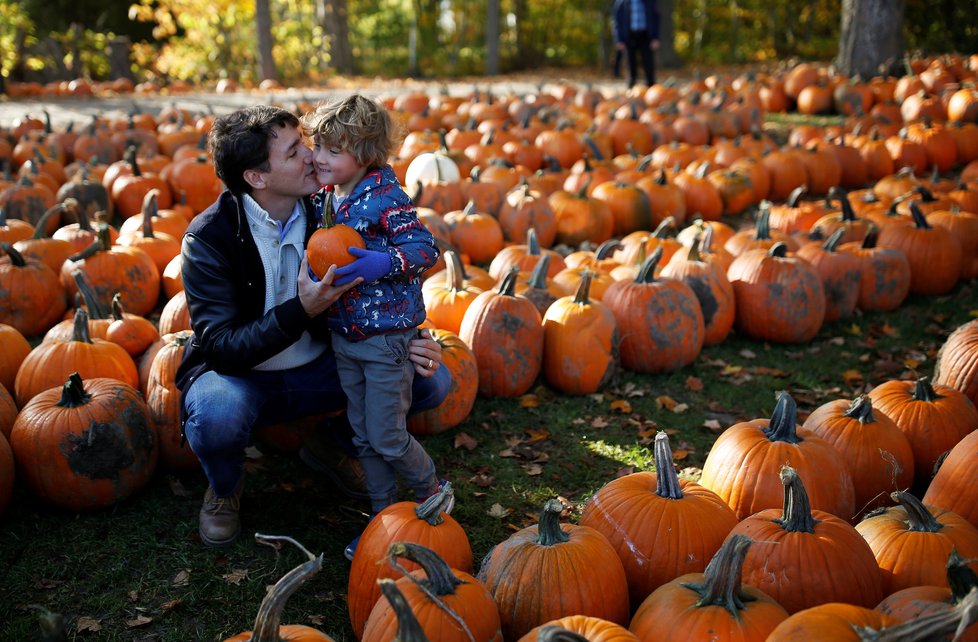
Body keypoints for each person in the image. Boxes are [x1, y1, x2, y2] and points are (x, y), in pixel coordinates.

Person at [175, 104, 450, 548]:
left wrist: (413, 336)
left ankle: (328, 445)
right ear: (257, 177)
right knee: (216, 414)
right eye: (293, 152)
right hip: (242, 378)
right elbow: (221, 348)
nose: (310, 156)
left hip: (326, 364)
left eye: (309, 144)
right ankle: (225, 488)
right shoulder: (209, 237)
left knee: (430, 382)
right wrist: (300, 310)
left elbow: (387, 267)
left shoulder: (330, 207)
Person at [302, 95, 447, 561]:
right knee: (363, 436)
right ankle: (383, 521)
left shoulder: (386, 196)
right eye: (317, 146)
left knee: (386, 434)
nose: (319, 158)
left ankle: (431, 492)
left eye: (332, 150)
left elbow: (425, 248)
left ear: (364, 155)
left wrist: (385, 261)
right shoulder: (327, 196)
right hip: (346, 336)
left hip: (386, 339)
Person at [612, 0, 660, 88]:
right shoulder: (622, 2)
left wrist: (655, 37)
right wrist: (619, 39)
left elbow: (656, 18)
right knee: (631, 63)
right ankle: (631, 87)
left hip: (646, 35)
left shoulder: (650, 1)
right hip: (629, 35)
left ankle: (651, 87)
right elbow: (617, 21)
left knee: (648, 62)